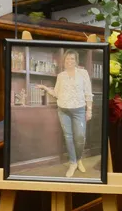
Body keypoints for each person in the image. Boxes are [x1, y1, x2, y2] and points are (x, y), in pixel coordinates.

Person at [38, 49, 93, 178]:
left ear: (76, 60)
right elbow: (56, 93)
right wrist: (45, 88)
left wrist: (89, 110)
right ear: (64, 61)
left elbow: (88, 92)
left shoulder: (83, 73)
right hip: (63, 110)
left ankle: (79, 159)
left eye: (72, 58)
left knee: (80, 137)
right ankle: (73, 162)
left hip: (79, 110)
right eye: (67, 58)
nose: (70, 61)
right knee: (68, 137)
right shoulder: (61, 76)